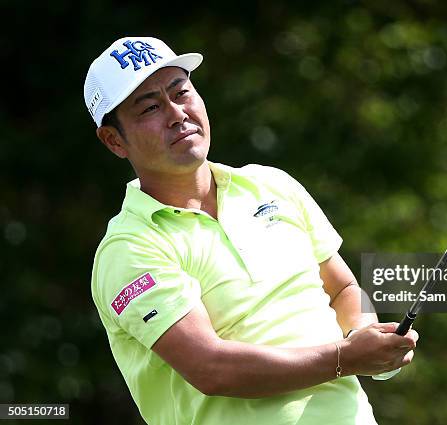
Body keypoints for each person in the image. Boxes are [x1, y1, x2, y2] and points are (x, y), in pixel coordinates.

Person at [86, 36, 418, 425]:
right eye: (150, 108)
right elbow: (211, 368)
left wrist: (368, 336)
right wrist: (346, 358)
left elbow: (342, 289)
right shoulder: (129, 247)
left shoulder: (271, 185)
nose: (177, 114)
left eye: (182, 92)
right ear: (113, 140)